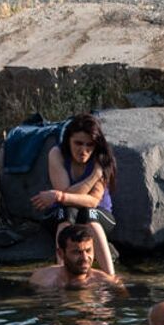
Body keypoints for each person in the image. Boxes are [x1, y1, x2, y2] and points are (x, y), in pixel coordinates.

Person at [31, 113, 118, 276]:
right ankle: (63, 274)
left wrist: (58, 196)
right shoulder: (57, 154)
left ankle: (111, 278)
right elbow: (67, 193)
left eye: (89, 145)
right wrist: (62, 196)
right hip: (64, 214)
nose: (83, 150)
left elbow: (92, 201)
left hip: (99, 214)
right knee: (68, 212)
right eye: (78, 143)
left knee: (88, 214)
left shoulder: (102, 159)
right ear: (68, 140)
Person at [29, 224, 120, 290]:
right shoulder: (42, 280)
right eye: (77, 252)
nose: (85, 258)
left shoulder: (105, 282)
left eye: (88, 251)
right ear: (61, 253)